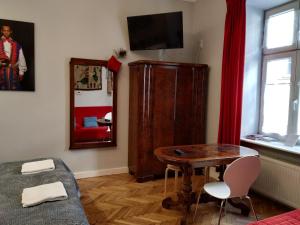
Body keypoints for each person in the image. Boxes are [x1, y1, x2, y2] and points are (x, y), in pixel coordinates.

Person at [0, 24, 27, 90]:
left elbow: (21, 58)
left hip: (13, 72)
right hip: (1, 71)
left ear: (10, 32)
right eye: (4, 30)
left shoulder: (17, 44)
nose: (6, 32)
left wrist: (21, 72)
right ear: (2, 31)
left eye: (8, 31)